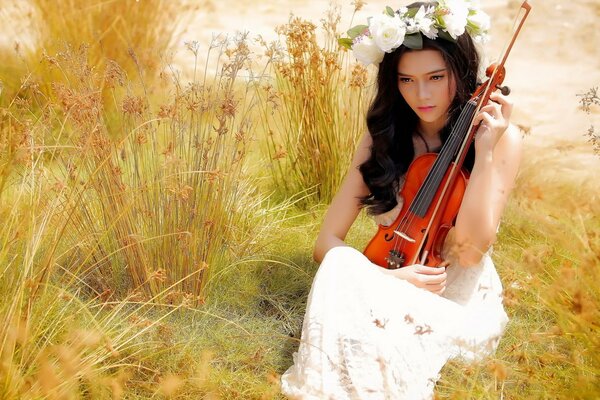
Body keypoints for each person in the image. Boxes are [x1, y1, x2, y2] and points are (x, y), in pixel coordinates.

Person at [280, 1, 522, 399]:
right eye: (406, 80)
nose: (421, 94)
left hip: (451, 295)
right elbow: (326, 244)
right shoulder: (383, 135)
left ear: (460, 73)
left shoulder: (502, 139)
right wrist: (390, 279)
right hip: (391, 275)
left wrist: (486, 152)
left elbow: (469, 251)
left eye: (435, 77)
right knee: (341, 262)